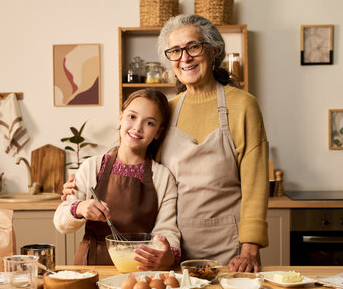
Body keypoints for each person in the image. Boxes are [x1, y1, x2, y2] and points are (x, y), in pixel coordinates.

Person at [156, 14, 269, 272]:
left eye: (193, 47)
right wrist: (86, 182)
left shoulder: (243, 105)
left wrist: (249, 251)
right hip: (173, 249)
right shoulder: (166, 110)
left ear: (214, 51)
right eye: (175, 51)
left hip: (232, 253)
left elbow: (255, 184)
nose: (184, 58)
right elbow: (140, 165)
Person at [53, 88, 180, 270]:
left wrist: (166, 254)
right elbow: (61, 221)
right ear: (120, 118)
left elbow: (167, 230)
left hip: (139, 268)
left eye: (149, 123)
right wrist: (79, 208)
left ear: (158, 132)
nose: (137, 127)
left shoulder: (163, 177)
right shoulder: (92, 167)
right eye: (132, 117)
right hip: (91, 267)